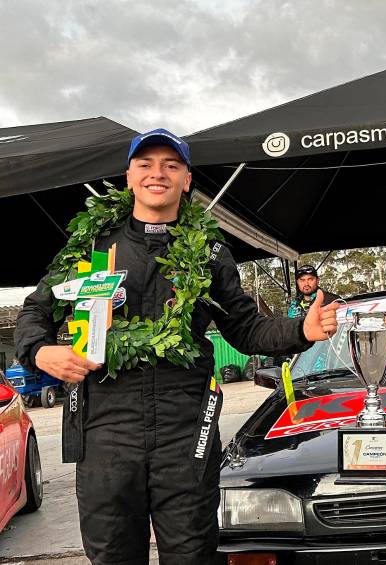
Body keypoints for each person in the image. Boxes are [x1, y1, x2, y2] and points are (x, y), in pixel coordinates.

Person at [15, 129, 338, 565]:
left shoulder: (208, 251)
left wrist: (303, 330)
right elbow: (35, 310)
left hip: (185, 430)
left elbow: (244, 327)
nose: (157, 174)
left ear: (187, 180)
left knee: (192, 554)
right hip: (107, 429)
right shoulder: (91, 246)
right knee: (111, 554)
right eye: (145, 164)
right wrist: (39, 351)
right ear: (128, 176)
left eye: (171, 165)